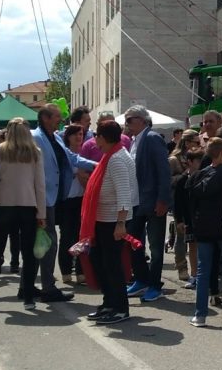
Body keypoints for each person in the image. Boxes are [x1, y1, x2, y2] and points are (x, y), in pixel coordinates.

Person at [0, 118, 47, 311]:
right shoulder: (35, 152)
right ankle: (29, 299)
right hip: (28, 206)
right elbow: (40, 186)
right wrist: (41, 214)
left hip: (3, 206)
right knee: (28, 255)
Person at [33, 104, 97, 302]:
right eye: (57, 116)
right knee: (48, 243)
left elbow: (73, 158)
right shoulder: (36, 137)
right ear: (45, 118)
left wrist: (99, 165)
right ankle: (48, 288)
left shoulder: (55, 137)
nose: (60, 120)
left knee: (43, 243)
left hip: (55, 198)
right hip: (42, 199)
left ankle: (29, 286)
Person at [80, 119, 137, 326]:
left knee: (112, 266)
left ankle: (120, 308)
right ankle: (109, 304)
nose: (95, 140)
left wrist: (120, 224)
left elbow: (124, 194)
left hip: (113, 221)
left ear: (104, 138)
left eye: (97, 136)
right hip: (103, 219)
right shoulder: (111, 155)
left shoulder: (117, 159)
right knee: (102, 263)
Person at [188, 137, 222, 326]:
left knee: (203, 271)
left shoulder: (198, 176)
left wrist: (194, 225)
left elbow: (192, 204)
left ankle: (200, 314)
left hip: (203, 229)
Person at [125, 105, 172, 303]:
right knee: (133, 242)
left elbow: (164, 171)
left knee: (155, 247)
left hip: (153, 201)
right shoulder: (134, 141)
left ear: (142, 120)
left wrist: (163, 200)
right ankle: (142, 279)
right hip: (137, 201)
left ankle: (154, 285)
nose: (127, 123)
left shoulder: (152, 138)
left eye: (130, 119)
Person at [58, 125, 90, 283]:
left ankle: (80, 271)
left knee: (82, 236)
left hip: (82, 200)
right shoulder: (64, 154)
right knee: (66, 237)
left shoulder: (86, 153)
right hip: (67, 201)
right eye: (75, 134)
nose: (79, 137)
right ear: (68, 137)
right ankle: (66, 271)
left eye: (81, 134)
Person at [169, 131, 202, 283]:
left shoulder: (199, 155)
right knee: (181, 237)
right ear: (187, 142)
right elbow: (170, 180)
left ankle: (197, 271)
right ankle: (182, 267)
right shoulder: (174, 159)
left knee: (194, 241)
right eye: (196, 142)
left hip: (194, 204)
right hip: (181, 201)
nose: (199, 144)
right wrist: (184, 176)